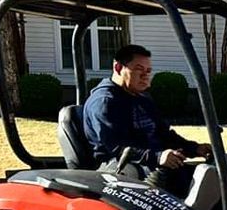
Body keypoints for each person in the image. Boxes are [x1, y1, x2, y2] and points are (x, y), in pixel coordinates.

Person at [80, 43, 209, 198]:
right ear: (119, 68)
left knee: (208, 181)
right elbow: (118, 148)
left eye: (148, 71)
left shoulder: (142, 100)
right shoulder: (104, 102)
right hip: (120, 169)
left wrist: (194, 148)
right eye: (139, 70)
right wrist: (158, 157)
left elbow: (164, 134)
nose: (145, 76)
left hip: (153, 163)